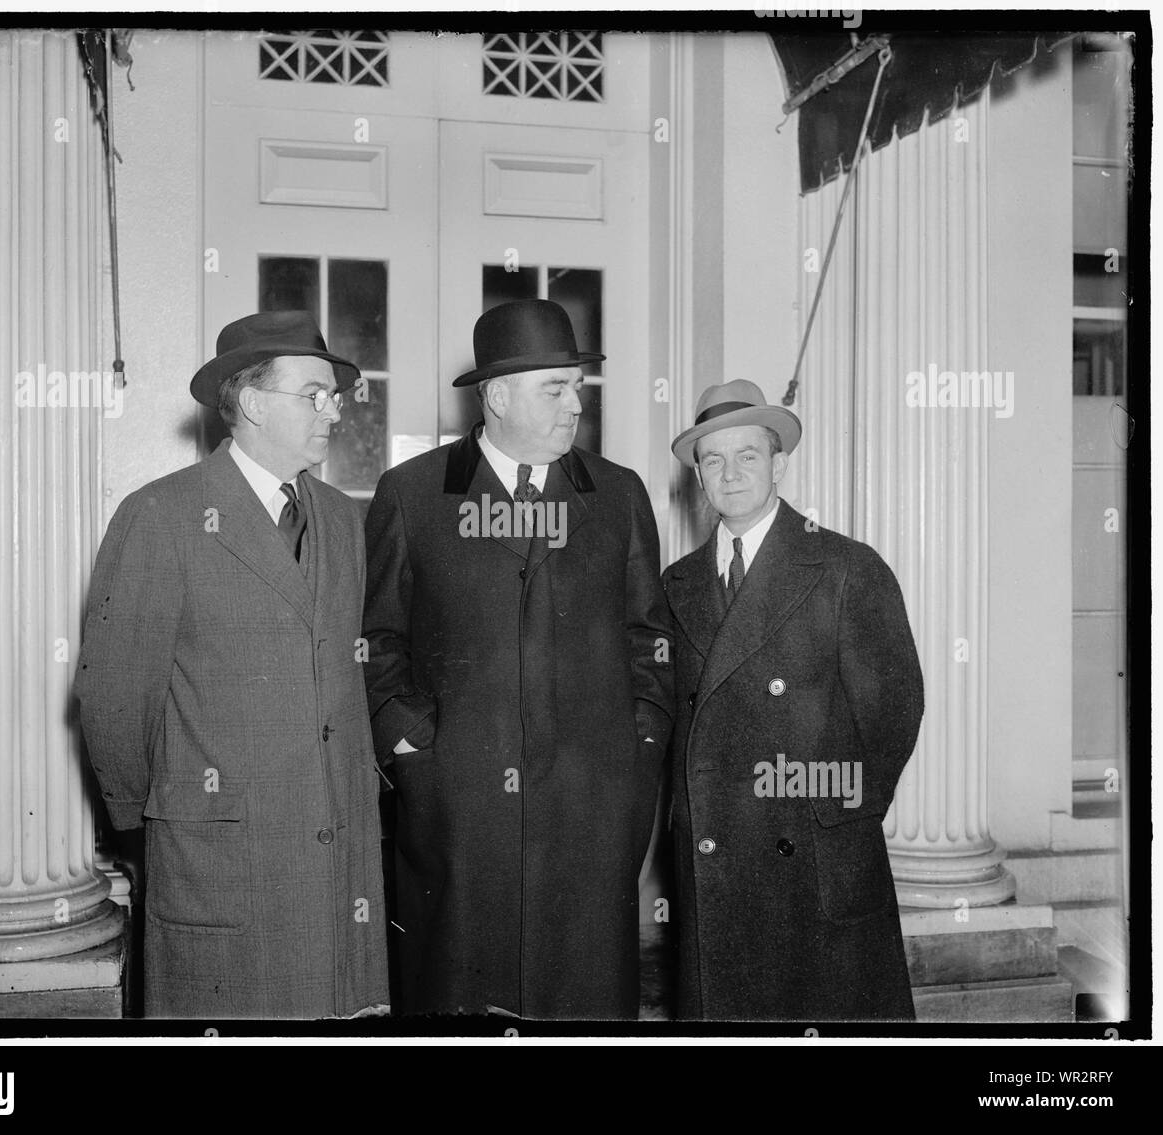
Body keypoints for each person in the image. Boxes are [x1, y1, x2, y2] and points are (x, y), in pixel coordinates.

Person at [363, 299, 675, 1018]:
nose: (575, 405)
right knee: (464, 1003)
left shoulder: (619, 494)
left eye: (577, 387)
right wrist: (413, 747)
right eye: (555, 388)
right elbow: (377, 641)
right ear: (497, 396)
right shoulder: (411, 494)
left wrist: (639, 753)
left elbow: (648, 640)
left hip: (592, 812)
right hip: (460, 813)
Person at [76, 310, 389, 1018]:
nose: (334, 410)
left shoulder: (342, 520)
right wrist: (148, 822)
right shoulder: (161, 515)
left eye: (335, 394)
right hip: (223, 867)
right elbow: (114, 699)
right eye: (314, 393)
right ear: (251, 402)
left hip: (339, 859)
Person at [663, 379, 923, 1020]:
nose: (730, 473)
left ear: (778, 464)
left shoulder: (845, 568)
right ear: (699, 476)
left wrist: (832, 812)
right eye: (713, 460)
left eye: (747, 456)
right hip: (715, 863)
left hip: (813, 860)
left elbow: (893, 713)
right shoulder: (675, 584)